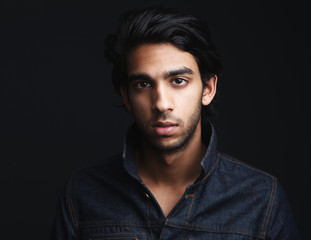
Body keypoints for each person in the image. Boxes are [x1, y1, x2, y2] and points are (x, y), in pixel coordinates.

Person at [50, 6, 300, 240]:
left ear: (208, 88)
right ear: (126, 95)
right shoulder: (83, 193)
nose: (161, 103)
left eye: (178, 81)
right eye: (143, 84)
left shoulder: (261, 198)